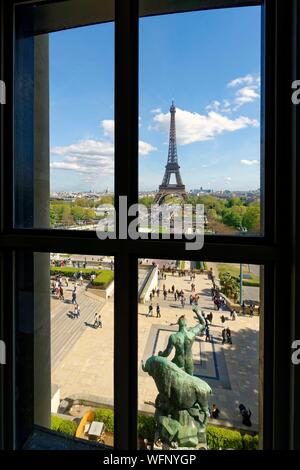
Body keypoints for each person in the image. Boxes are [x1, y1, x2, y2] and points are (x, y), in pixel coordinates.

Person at [158, 308, 206, 375]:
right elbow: (203, 323)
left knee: (167, 374)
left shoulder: (173, 337)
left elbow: (167, 353)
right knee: (191, 379)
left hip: (178, 361)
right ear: (186, 324)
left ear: (178, 324)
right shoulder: (192, 333)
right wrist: (197, 312)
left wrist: (160, 354)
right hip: (189, 362)